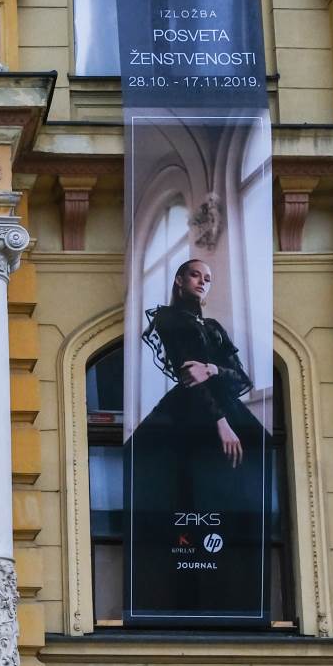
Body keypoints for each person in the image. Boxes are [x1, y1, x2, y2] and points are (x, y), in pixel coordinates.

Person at [131, 256, 270, 617]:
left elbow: (243, 379)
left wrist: (211, 367)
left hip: (219, 409)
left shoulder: (214, 327)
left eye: (208, 278)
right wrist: (221, 422)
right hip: (192, 409)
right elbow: (188, 378)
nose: (202, 282)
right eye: (195, 275)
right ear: (179, 280)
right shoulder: (168, 319)